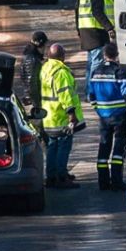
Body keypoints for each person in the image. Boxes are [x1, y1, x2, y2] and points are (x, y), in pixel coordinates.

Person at [88, 42, 126, 191]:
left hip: (103, 116)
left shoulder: (95, 72)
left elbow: (91, 95)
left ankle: (103, 182)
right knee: (119, 148)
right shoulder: (120, 72)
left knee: (104, 147)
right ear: (117, 55)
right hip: (119, 115)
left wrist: (99, 110)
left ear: (104, 56)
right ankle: (116, 181)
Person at [39, 43, 82, 189]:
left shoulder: (45, 69)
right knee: (64, 147)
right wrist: (72, 115)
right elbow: (66, 95)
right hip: (61, 116)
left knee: (52, 147)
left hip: (48, 117)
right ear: (62, 56)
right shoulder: (61, 72)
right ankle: (61, 177)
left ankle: (50, 177)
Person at [77, 0, 115, 86]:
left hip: (85, 29)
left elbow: (76, 8)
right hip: (95, 31)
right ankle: (93, 91)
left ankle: (89, 91)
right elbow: (97, 11)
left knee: (91, 62)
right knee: (97, 61)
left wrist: (78, 29)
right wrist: (109, 27)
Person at [18, 30, 49, 110]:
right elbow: (31, 85)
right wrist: (37, 105)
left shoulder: (31, 57)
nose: (45, 49)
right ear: (40, 45)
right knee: (36, 122)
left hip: (30, 101)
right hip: (32, 103)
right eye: (44, 46)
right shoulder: (32, 60)